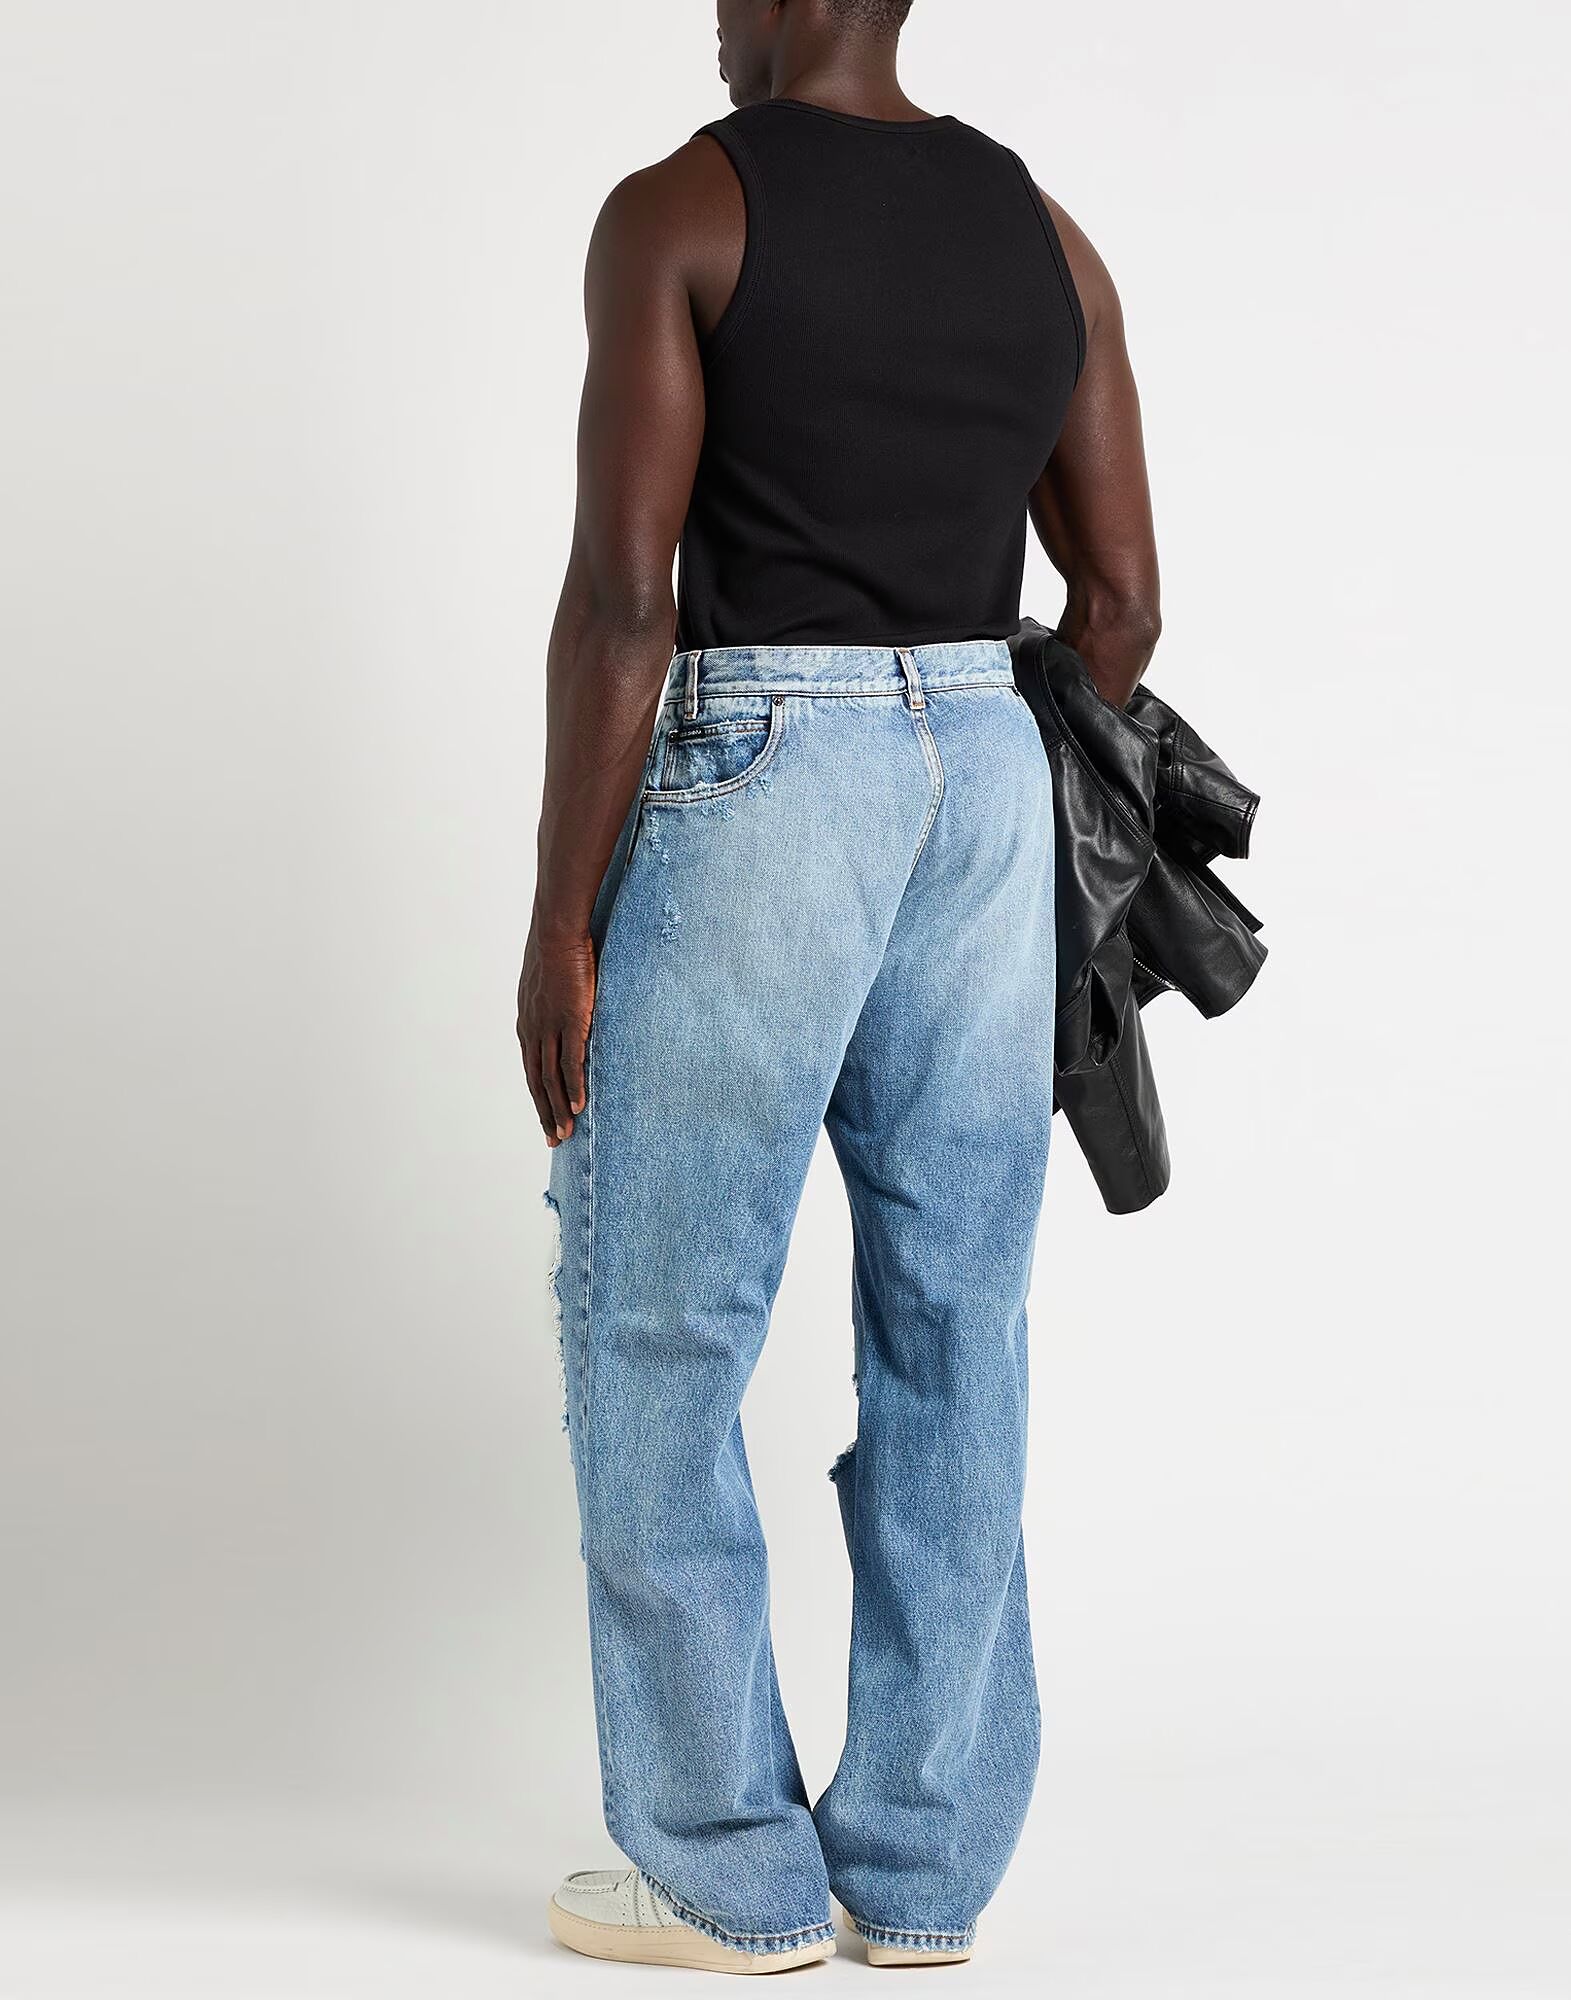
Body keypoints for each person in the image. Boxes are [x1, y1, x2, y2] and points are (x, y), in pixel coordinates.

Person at [517, 0, 1160, 1973]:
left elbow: (626, 601)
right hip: (987, 772)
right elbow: (1122, 603)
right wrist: (970, 744)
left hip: (767, 769)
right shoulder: (1044, 233)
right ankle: (915, 1870)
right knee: (957, 1322)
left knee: (662, 1323)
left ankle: (727, 1871)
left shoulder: (680, 213)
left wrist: (560, 916)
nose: (710, 23)